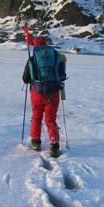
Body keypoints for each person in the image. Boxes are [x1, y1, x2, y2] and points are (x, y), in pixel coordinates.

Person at [22, 25, 67, 158]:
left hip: (37, 92)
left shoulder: (33, 57)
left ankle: (35, 141)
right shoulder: (55, 55)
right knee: (51, 119)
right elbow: (62, 75)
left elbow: (25, 78)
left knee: (36, 116)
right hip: (53, 92)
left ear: (35, 45)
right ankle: (54, 144)